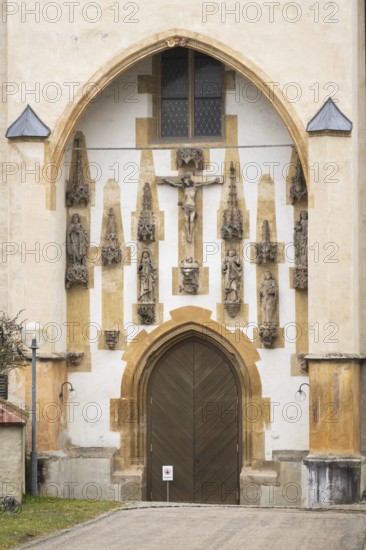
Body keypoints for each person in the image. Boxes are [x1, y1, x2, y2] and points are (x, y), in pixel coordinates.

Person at [162, 173, 223, 243]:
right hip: (186, 207)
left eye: (186, 180)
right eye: (184, 181)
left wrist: (214, 181)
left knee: (191, 221)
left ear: (189, 180)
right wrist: (166, 181)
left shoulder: (194, 186)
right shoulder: (184, 187)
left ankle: (190, 235)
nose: (185, 182)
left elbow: (204, 183)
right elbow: (174, 185)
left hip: (192, 206)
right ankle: (188, 235)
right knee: (186, 221)